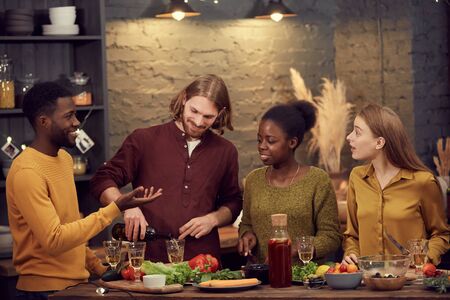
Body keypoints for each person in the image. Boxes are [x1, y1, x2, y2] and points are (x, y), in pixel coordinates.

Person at [6, 82, 162, 299]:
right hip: (43, 291)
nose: (76, 123)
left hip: (75, 285)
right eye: (69, 116)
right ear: (44, 121)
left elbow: (70, 227)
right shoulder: (27, 171)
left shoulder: (64, 159)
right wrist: (114, 208)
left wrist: (101, 269)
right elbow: (55, 240)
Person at [90, 74, 242, 262]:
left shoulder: (226, 151)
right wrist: (125, 205)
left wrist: (213, 219)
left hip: (204, 260)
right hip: (149, 259)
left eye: (208, 116)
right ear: (184, 98)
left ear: (220, 113)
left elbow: (233, 202)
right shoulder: (144, 140)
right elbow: (102, 179)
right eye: (194, 111)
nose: (198, 121)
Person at [342, 103, 449, 265]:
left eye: (357, 132)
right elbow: (352, 235)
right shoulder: (357, 178)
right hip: (367, 283)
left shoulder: (423, 182)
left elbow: (441, 235)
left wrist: (427, 256)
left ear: (379, 142)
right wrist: (351, 253)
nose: (349, 137)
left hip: (411, 283)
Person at [238, 101, 342, 263]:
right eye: (259, 140)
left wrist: (295, 250)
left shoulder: (317, 180)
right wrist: (247, 235)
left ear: (292, 142)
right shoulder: (253, 180)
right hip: (262, 280)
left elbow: (331, 237)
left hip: (305, 279)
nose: (262, 147)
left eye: (270, 141)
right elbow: (247, 224)